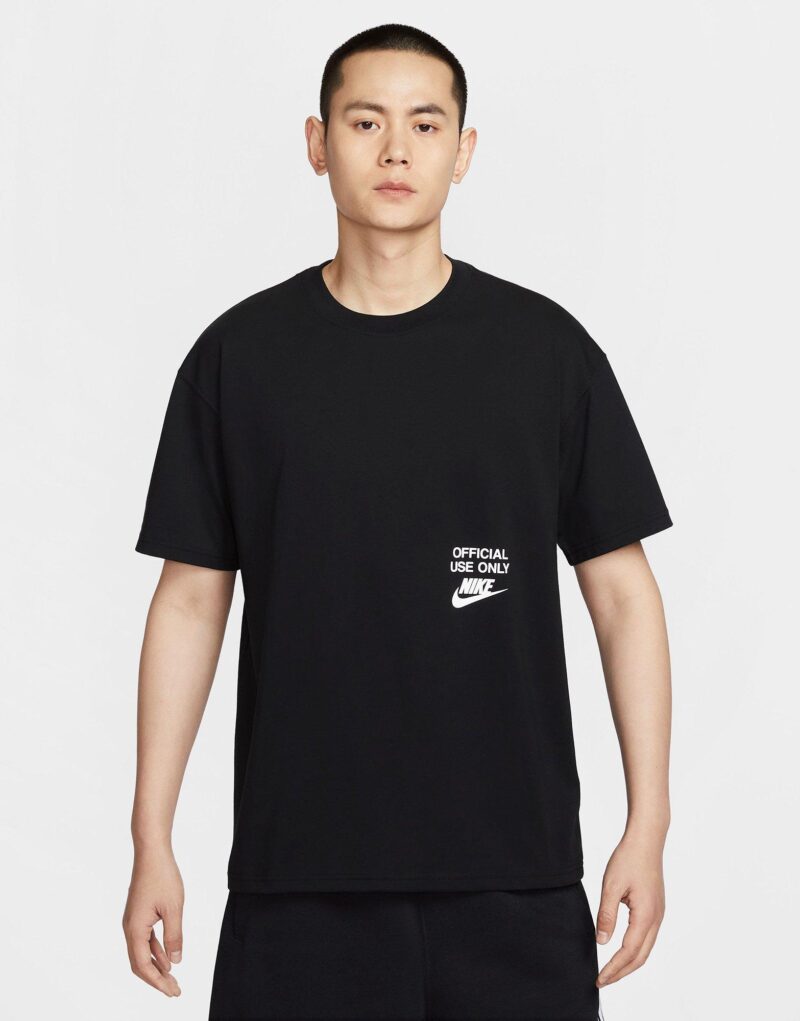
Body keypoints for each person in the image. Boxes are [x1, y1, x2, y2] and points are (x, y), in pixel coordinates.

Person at [122, 22, 672, 1021]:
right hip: (299, 887)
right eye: (364, 121)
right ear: (316, 142)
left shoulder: (545, 354)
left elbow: (624, 596)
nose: (394, 150)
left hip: (516, 880)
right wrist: (149, 834)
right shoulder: (238, 359)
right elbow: (190, 600)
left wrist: (650, 820)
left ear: (463, 151)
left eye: (424, 124)